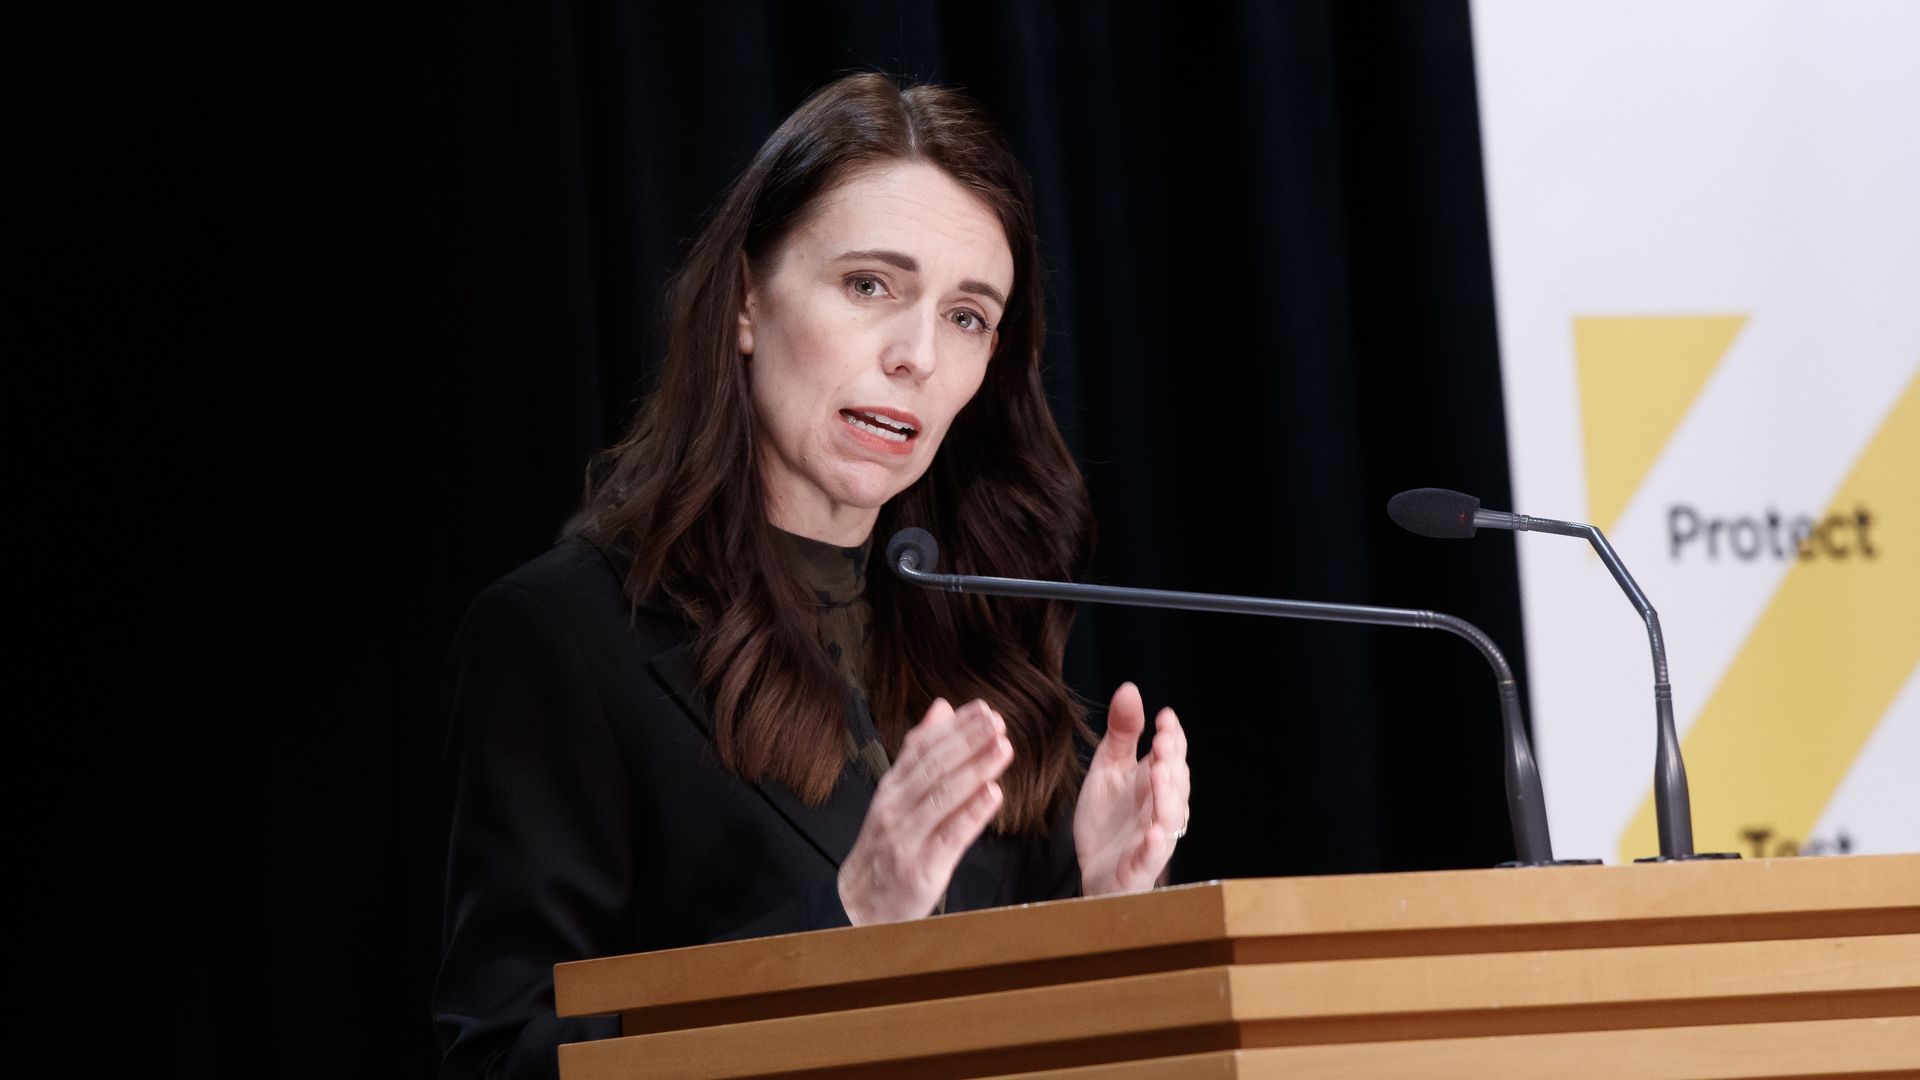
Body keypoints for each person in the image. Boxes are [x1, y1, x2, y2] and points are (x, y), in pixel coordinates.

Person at [432, 72, 1192, 1080]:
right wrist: (848, 922)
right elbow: (504, 1058)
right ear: (747, 300)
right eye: (870, 285)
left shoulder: (983, 645)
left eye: (967, 316)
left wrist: (1108, 917)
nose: (916, 355)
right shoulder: (563, 638)